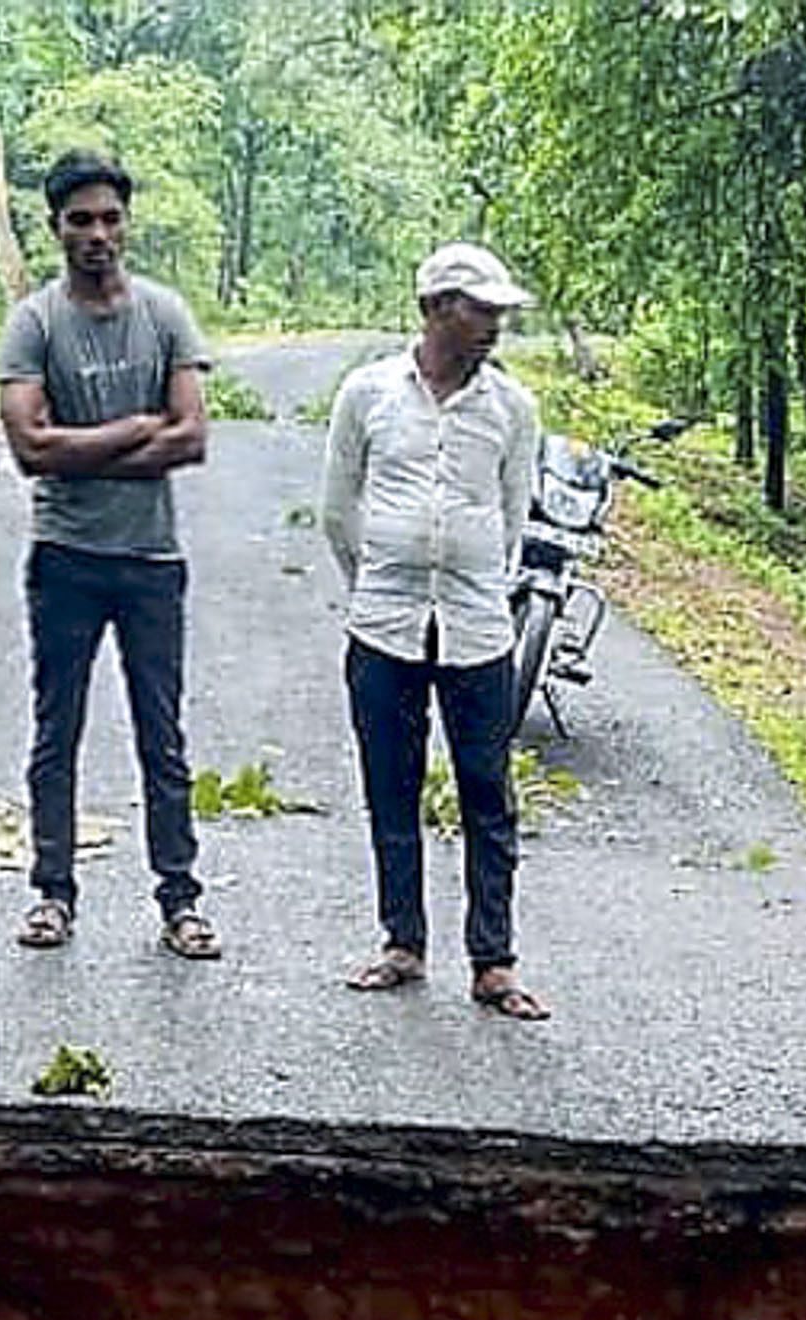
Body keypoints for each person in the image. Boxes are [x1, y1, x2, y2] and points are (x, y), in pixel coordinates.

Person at [320, 244, 554, 1021]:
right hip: (383, 621)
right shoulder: (369, 394)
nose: (493, 326)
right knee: (392, 786)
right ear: (435, 309)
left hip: (478, 627)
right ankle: (402, 941)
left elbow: (514, 512)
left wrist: (470, 573)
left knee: (488, 790)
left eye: (497, 313)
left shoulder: (511, 409)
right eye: (479, 310)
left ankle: (493, 959)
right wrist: (377, 581)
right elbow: (338, 508)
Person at [0, 153, 217, 960]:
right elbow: (27, 449)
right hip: (65, 556)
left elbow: (190, 437)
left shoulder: (164, 314)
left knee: (162, 734)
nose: (97, 234)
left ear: (127, 222)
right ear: (55, 227)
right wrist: (132, 431)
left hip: (151, 558)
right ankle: (52, 891)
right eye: (79, 220)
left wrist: (78, 445)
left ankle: (179, 899)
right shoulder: (36, 322)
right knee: (58, 729)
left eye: (109, 218)